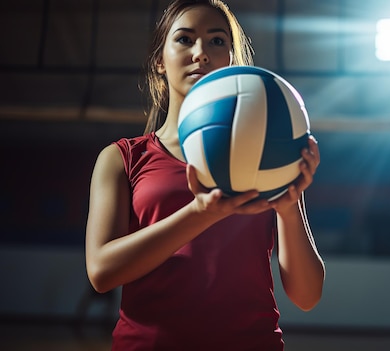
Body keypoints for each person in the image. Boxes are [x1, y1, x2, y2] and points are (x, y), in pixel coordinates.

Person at [84, 0, 325, 350]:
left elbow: (307, 297)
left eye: (217, 41)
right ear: (159, 61)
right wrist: (201, 213)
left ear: (231, 58)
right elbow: (101, 273)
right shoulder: (122, 158)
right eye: (184, 39)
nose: (201, 53)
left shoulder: (267, 159)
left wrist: (289, 210)